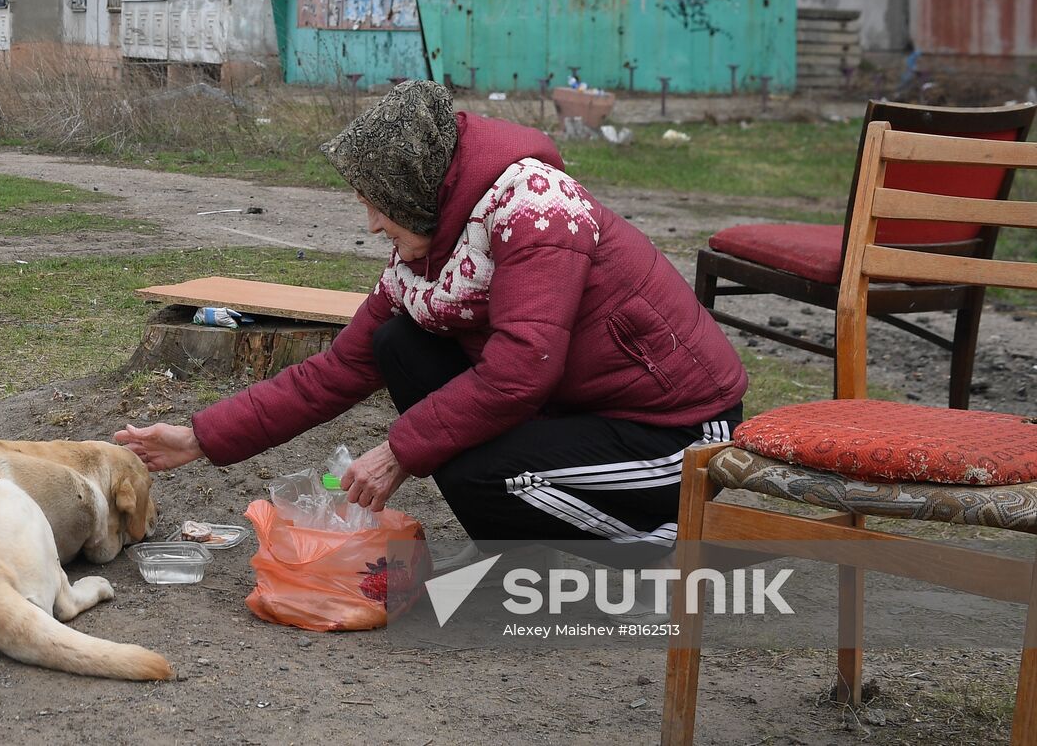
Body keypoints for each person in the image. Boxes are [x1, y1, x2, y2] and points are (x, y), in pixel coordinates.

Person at [116, 81, 747, 563]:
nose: (371, 226)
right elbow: (335, 372)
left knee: (473, 469)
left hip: (675, 436)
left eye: (376, 206)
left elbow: (521, 371)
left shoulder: (539, 213)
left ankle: (629, 555)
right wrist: (200, 438)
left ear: (415, 189)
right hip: (582, 413)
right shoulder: (435, 253)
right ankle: (524, 530)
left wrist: (397, 450)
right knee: (399, 343)